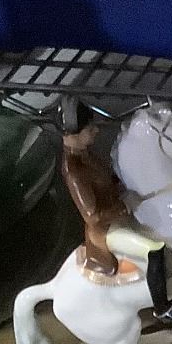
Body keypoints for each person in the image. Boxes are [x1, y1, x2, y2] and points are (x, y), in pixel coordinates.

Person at [60, 112, 131, 279]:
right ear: (73, 135)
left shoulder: (86, 155)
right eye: (90, 129)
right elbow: (93, 217)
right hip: (106, 228)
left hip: (117, 210)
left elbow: (106, 180)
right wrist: (126, 207)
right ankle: (159, 293)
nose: (96, 130)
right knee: (152, 248)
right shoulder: (74, 171)